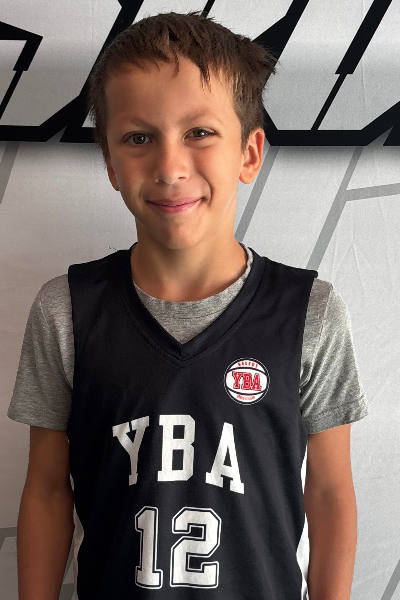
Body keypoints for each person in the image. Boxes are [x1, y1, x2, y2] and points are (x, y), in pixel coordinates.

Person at [7, 10, 369, 600]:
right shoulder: (66, 310)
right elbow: (47, 490)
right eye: (138, 138)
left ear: (249, 152)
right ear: (110, 163)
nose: (170, 167)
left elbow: (329, 494)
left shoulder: (310, 313)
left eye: (199, 133)